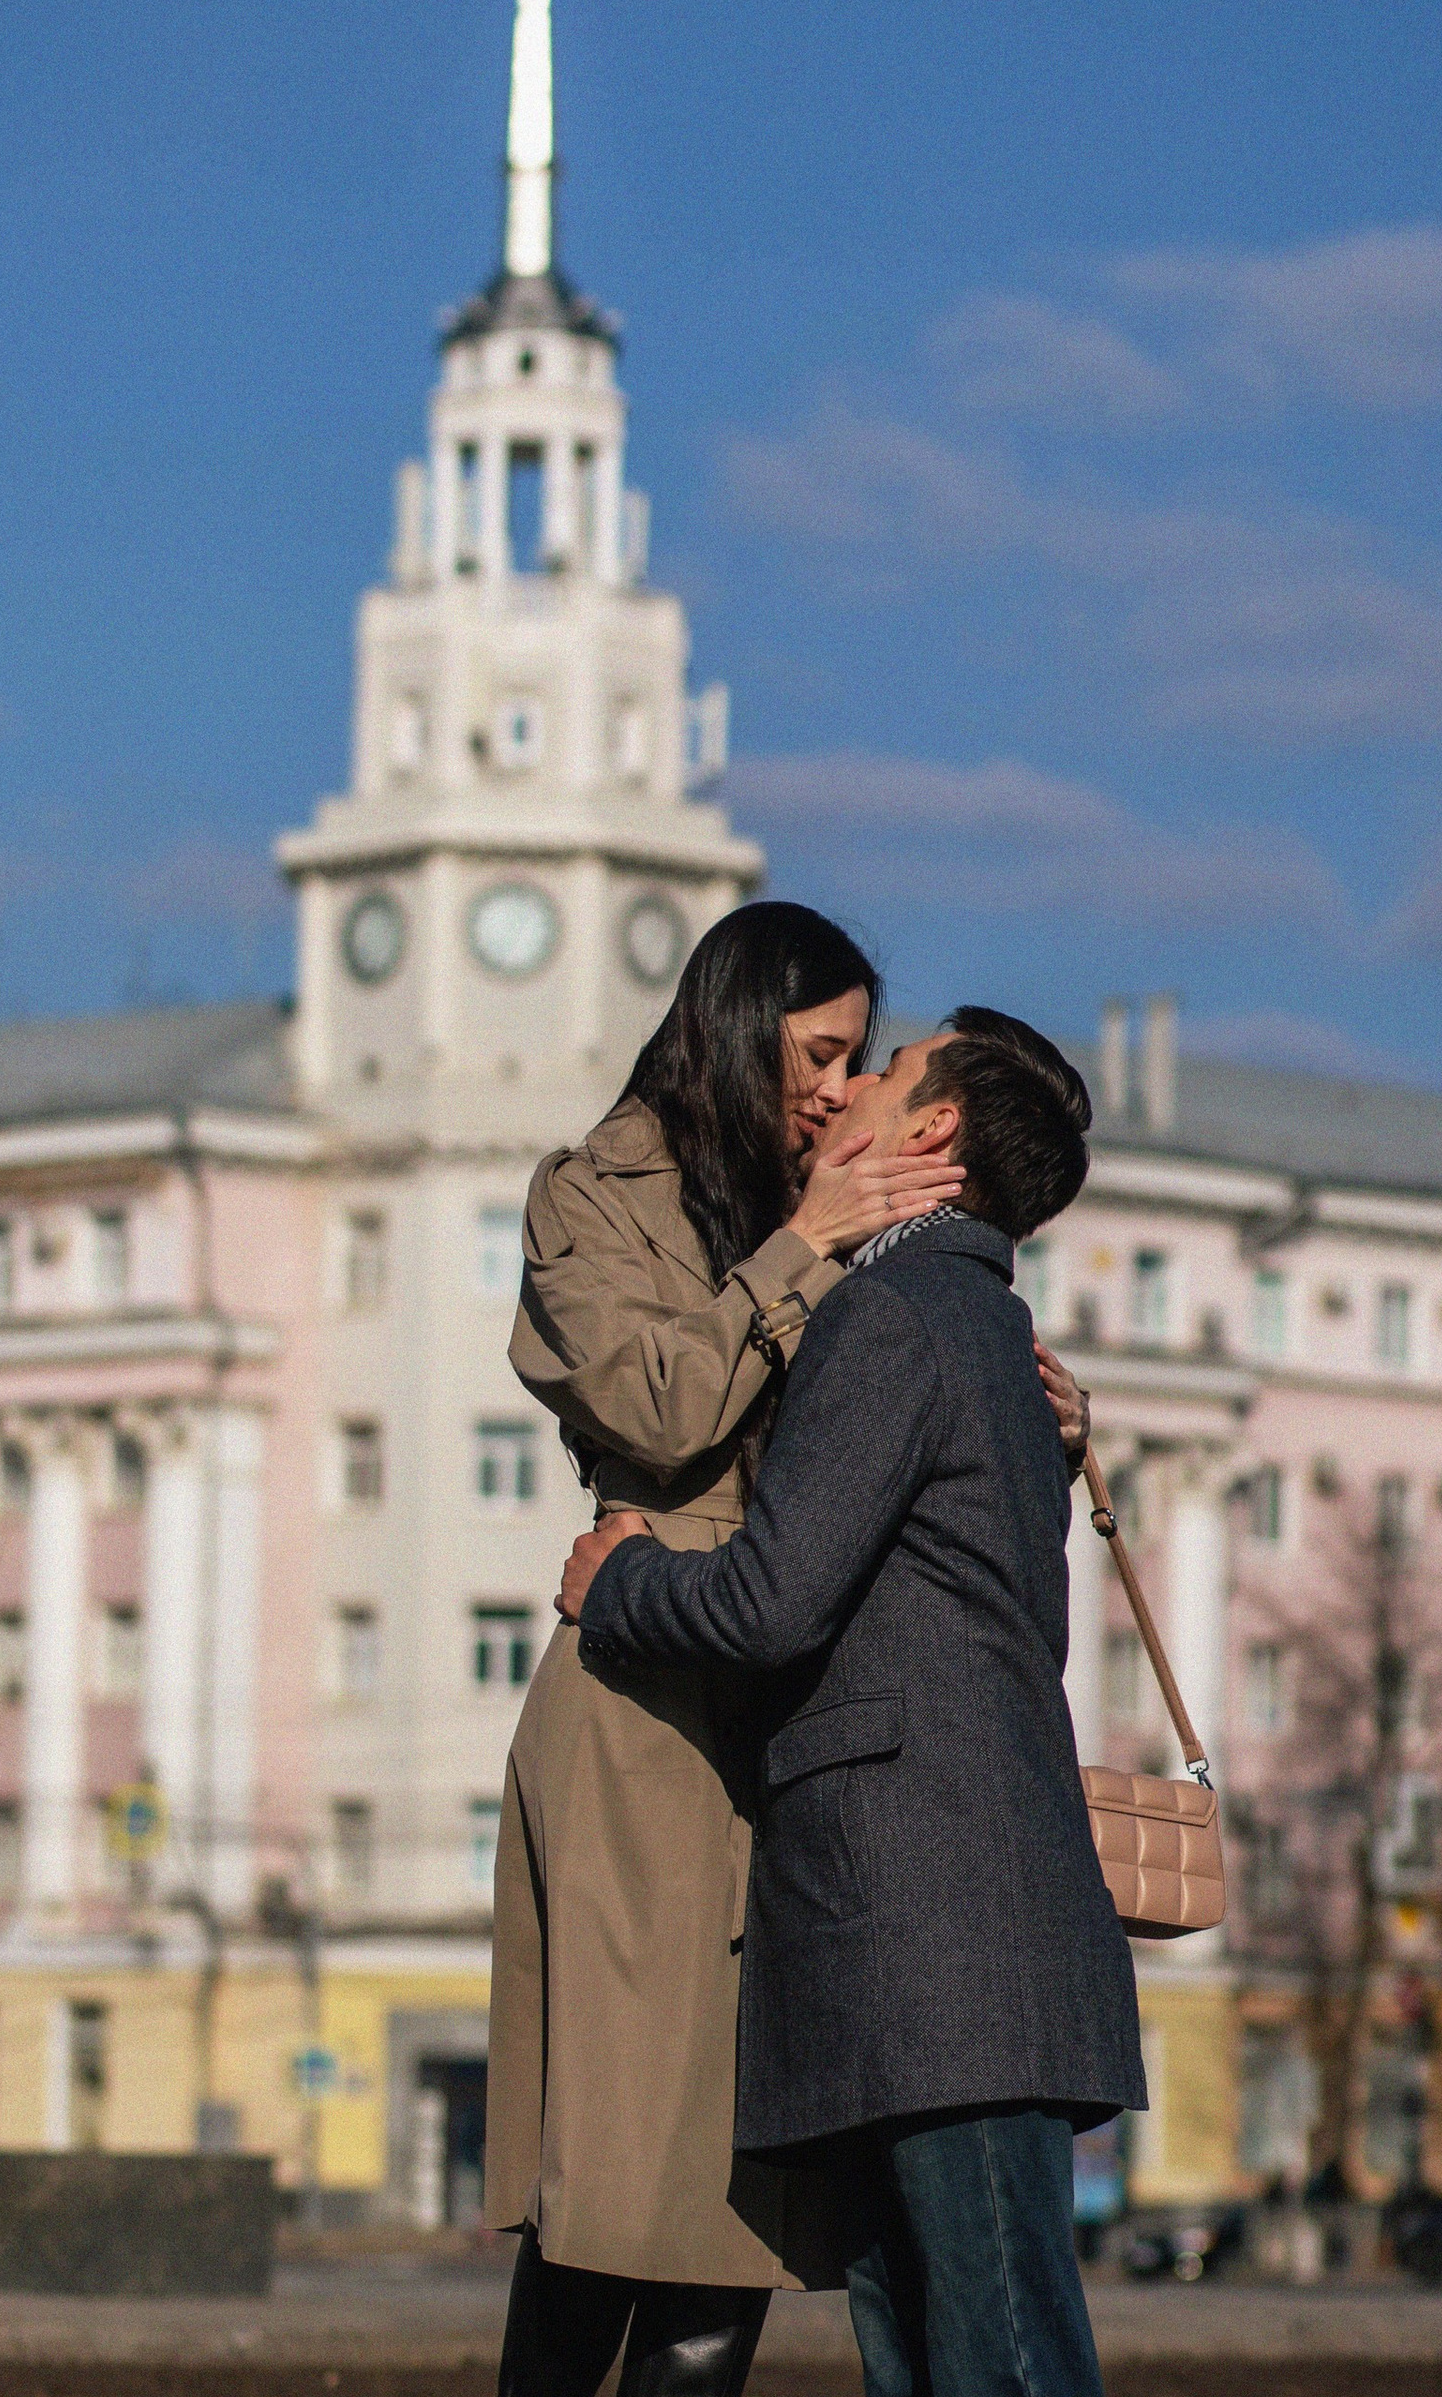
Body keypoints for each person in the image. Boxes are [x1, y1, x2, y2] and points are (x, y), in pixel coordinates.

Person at [488, 911, 1088, 2397]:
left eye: (857, 1060)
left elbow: (886, 1468)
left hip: (806, 1753)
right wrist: (803, 1246)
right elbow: (654, 1408)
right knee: (614, 2197)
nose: (836, 1089)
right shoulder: (593, 1197)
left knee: (745, 2224)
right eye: (817, 1052)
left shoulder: (845, 1213)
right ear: (734, 1024)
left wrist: (1036, 1424)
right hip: (650, 1724)